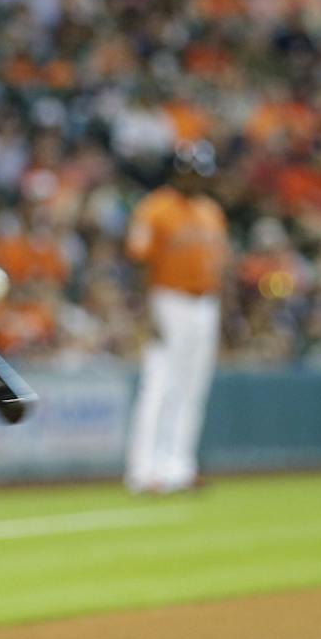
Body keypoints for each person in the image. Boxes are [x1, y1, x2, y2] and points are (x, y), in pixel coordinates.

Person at [123, 142, 229, 494]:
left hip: (204, 303)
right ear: (177, 171)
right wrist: (147, 312)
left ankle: (179, 467)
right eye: (191, 172)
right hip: (167, 299)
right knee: (160, 384)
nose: (197, 179)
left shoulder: (211, 211)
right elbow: (139, 263)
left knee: (193, 388)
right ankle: (144, 471)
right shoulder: (155, 209)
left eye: (202, 173)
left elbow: (219, 266)